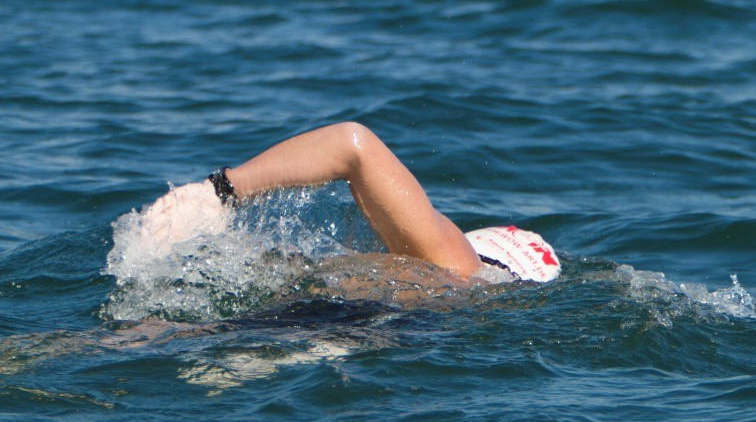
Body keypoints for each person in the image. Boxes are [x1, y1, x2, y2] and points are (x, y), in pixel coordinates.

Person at [139, 121, 561, 285]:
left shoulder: (456, 259)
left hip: (333, 322)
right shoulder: (469, 299)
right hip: (362, 341)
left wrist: (221, 191)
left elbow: (351, 144)